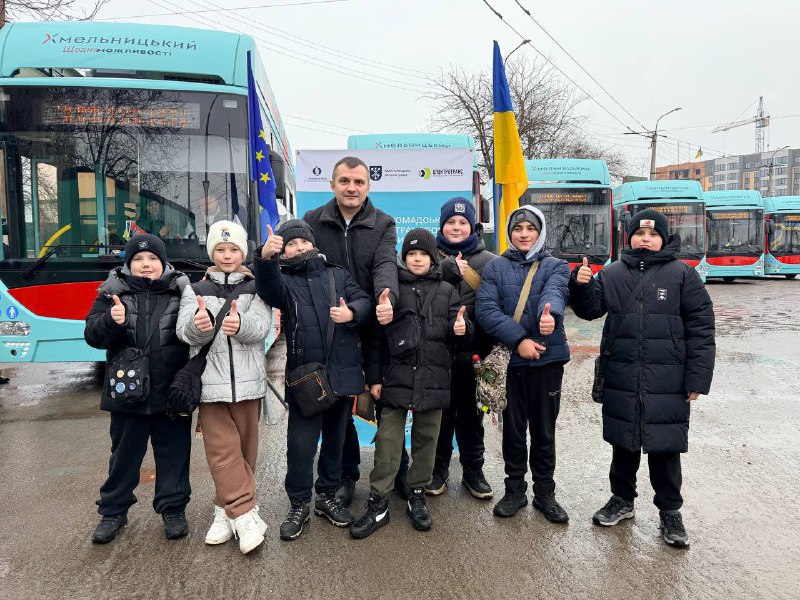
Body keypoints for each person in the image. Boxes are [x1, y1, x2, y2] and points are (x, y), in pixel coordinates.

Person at [568, 208, 716, 548]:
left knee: (666, 450)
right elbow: (590, 311)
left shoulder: (682, 275)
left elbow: (702, 328)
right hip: (622, 375)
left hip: (668, 381)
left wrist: (697, 379)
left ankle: (670, 512)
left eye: (652, 234)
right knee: (623, 444)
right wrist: (580, 285)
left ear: (663, 239)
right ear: (629, 237)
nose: (645, 239)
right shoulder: (613, 273)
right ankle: (622, 500)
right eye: (639, 233)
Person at [255, 219, 371, 541]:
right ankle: (298, 503)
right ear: (284, 251)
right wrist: (265, 258)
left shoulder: (338, 275)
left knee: (335, 442)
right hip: (306, 380)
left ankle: (327, 496)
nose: (299, 248)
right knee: (300, 447)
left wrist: (352, 313)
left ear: (313, 243)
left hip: (341, 375)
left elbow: (364, 301)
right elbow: (267, 288)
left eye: (303, 242)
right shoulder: (284, 280)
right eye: (291, 244)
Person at [350, 228, 470, 539]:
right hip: (395, 379)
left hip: (434, 380)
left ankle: (417, 495)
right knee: (387, 442)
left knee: (426, 442)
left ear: (433, 258)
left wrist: (463, 328)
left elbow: (460, 329)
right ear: (404, 257)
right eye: (411, 254)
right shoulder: (391, 290)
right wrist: (374, 378)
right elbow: (377, 339)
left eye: (423, 254)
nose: (417, 259)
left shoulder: (447, 290)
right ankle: (379, 501)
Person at [302, 156, 399, 508]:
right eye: (344, 181)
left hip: (373, 325)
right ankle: (346, 474)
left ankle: (399, 470)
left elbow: (386, 264)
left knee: (386, 400)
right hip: (330, 328)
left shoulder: (383, 223)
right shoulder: (312, 220)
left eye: (358, 182)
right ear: (332, 185)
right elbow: (298, 264)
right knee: (339, 408)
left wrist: (387, 298)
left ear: (368, 186)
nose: (351, 188)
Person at [84, 233, 192, 544]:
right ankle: (113, 511)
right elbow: (92, 336)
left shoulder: (181, 292)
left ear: (163, 263)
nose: (146, 264)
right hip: (127, 393)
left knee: (174, 455)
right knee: (123, 457)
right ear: (129, 264)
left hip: (170, 392)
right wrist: (110, 320)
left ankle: (173, 509)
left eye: (152, 259)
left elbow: (193, 337)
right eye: (138, 259)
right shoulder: (111, 293)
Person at [176, 220, 272, 555]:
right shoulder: (194, 289)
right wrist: (199, 326)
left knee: (244, 454)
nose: (227, 255)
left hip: (249, 386)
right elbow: (184, 331)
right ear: (212, 253)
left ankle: (224, 509)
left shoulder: (257, 288)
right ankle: (244, 516)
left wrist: (241, 324)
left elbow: (261, 327)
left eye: (233, 249)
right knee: (222, 452)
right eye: (220, 249)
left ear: (242, 252)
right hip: (210, 385)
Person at [476, 206, 571, 523]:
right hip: (512, 362)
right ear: (509, 233)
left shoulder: (556, 265)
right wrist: (519, 340)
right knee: (513, 431)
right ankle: (514, 490)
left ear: (540, 232)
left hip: (547, 361)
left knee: (544, 431)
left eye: (531, 228)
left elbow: (555, 292)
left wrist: (550, 316)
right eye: (518, 228)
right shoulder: (495, 266)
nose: (524, 234)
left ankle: (545, 494)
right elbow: (486, 310)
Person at [428, 197, 497, 499]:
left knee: (472, 417)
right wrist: (444, 270)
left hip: (474, 355)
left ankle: (473, 470)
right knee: (439, 417)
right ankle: (438, 469)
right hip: (436, 355)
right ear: (442, 225)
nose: (456, 227)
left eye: (462, 222)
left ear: (472, 226)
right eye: (450, 222)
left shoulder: (490, 262)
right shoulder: (427, 257)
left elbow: (496, 307)